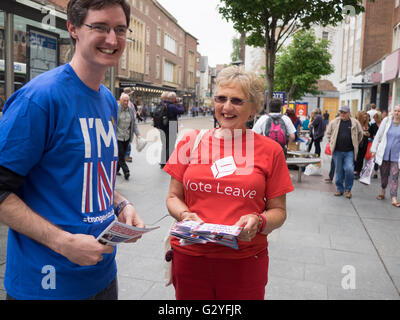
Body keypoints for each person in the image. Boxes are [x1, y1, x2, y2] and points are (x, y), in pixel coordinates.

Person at [0, 0, 145, 300]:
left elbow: (89, 175)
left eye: (120, 29)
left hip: (103, 276)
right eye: (100, 27)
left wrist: (121, 204)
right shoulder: (38, 100)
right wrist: (62, 242)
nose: (112, 39)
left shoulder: (107, 101)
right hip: (45, 284)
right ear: (73, 28)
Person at [163, 65, 294, 300]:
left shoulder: (270, 151)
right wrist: (184, 215)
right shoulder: (190, 142)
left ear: (253, 109)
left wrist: (259, 221)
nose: (226, 107)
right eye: (221, 99)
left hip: (243, 263)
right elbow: (173, 197)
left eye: (237, 101)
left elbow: (279, 211)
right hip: (190, 257)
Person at [326, 105, 363, 199]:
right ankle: (339, 189)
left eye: (344, 112)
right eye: (341, 112)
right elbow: (328, 133)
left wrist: (355, 143)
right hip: (337, 151)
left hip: (349, 151)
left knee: (349, 169)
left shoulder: (355, 122)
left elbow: (360, 134)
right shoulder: (334, 122)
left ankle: (348, 190)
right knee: (338, 171)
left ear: (349, 113)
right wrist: (332, 142)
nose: (342, 114)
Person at [371, 105, 400, 207]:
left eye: (399, 111)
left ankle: (394, 197)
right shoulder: (387, 121)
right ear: (393, 112)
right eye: (395, 111)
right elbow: (379, 135)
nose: (397, 113)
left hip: (396, 157)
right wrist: (373, 150)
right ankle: (383, 190)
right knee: (384, 175)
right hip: (384, 154)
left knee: (394, 177)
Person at [116, 93, 142, 180]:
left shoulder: (131, 110)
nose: (126, 102)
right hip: (118, 136)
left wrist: (138, 134)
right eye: (124, 100)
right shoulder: (116, 109)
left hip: (127, 136)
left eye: (127, 100)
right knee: (121, 154)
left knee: (121, 154)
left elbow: (134, 124)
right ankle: (126, 171)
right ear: (120, 101)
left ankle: (116, 169)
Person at [159, 91, 184, 168]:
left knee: (164, 145)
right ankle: (168, 163)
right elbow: (181, 111)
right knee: (171, 145)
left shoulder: (163, 103)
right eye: (175, 98)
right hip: (171, 126)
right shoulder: (172, 106)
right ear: (173, 99)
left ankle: (163, 162)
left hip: (163, 126)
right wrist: (179, 103)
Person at [353, 111, 371, 180]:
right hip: (358, 142)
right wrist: (362, 133)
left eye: (366, 118)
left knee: (361, 158)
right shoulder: (357, 124)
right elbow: (354, 132)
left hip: (365, 143)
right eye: (363, 117)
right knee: (356, 157)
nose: (364, 119)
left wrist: (369, 134)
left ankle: (358, 171)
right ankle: (354, 171)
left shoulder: (368, 125)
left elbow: (371, 134)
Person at [369, 111, 382, 178]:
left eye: (376, 118)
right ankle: (375, 172)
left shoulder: (384, 124)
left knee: (381, 157)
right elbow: (370, 134)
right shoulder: (373, 125)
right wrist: (372, 136)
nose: (375, 119)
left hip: (382, 143)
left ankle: (383, 171)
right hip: (375, 143)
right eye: (374, 118)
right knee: (375, 158)